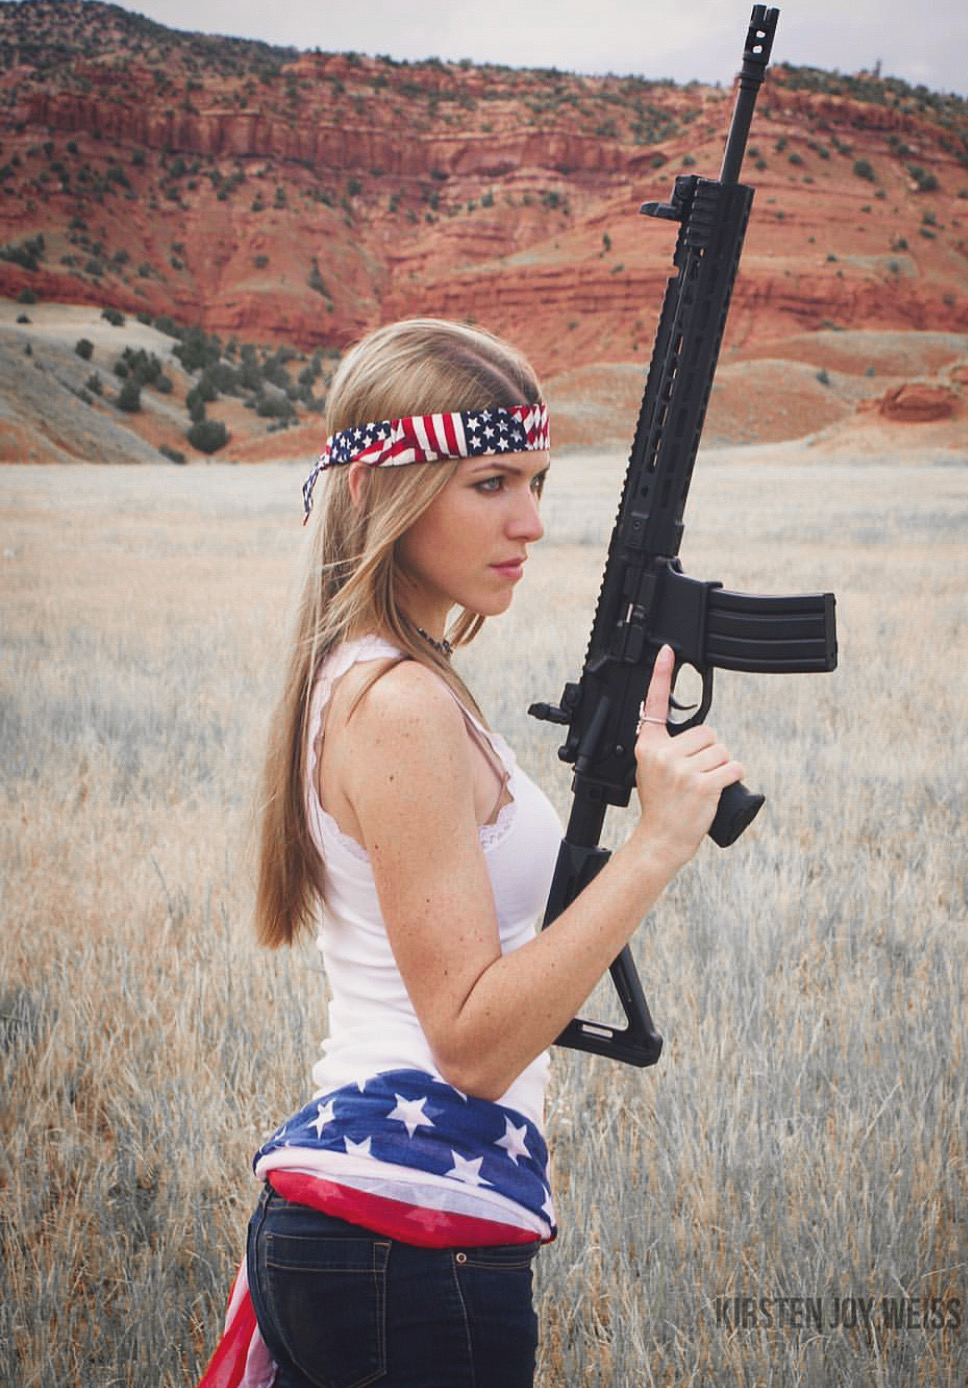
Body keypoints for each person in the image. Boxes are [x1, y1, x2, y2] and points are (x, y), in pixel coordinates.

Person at [198, 317, 743, 1388]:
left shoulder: (387, 671)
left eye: (536, 482)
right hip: (405, 1241)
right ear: (379, 492)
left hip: (383, 1228)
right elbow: (472, 1046)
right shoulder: (400, 702)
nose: (530, 521)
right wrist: (655, 847)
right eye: (490, 482)